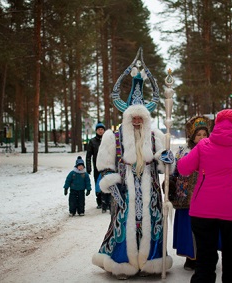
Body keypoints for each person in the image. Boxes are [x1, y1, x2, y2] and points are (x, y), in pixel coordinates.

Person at [92, 48, 172, 279]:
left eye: (141, 118)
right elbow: (105, 166)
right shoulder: (112, 137)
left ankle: (151, 263)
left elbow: (162, 164)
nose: (137, 121)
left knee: (151, 224)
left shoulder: (156, 136)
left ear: (146, 119)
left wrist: (167, 160)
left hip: (150, 191)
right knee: (124, 226)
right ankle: (121, 264)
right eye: (133, 118)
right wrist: (113, 186)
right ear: (127, 118)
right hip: (124, 191)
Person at [178, 109, 232, 283]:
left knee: (204, 260)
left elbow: (183, 168)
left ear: (216, 124)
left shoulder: (203, 145)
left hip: (202, 211)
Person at [169, 115, 217, 271]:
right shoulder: (183, 151)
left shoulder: (213, 150)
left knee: (206, 229)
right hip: (185, 198)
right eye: (198, 135)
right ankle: (191, 257)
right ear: (192, 136)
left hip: (206, 197)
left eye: (204, 134)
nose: (202, 137)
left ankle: (206, 256)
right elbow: (175, 170)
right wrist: (170, 182)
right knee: (188, 229)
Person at [86, 122, 108, 211]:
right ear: (96, 131)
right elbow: (88, 156)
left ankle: (106, 202)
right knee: (98, 184)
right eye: (99, 129)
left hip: (106, 166)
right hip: (97, 167)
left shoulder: (107, 140)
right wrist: (88, 167)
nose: (100, 131)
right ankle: (99, 202)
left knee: (106, 184)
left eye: (102, 129)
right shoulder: (92, 141)